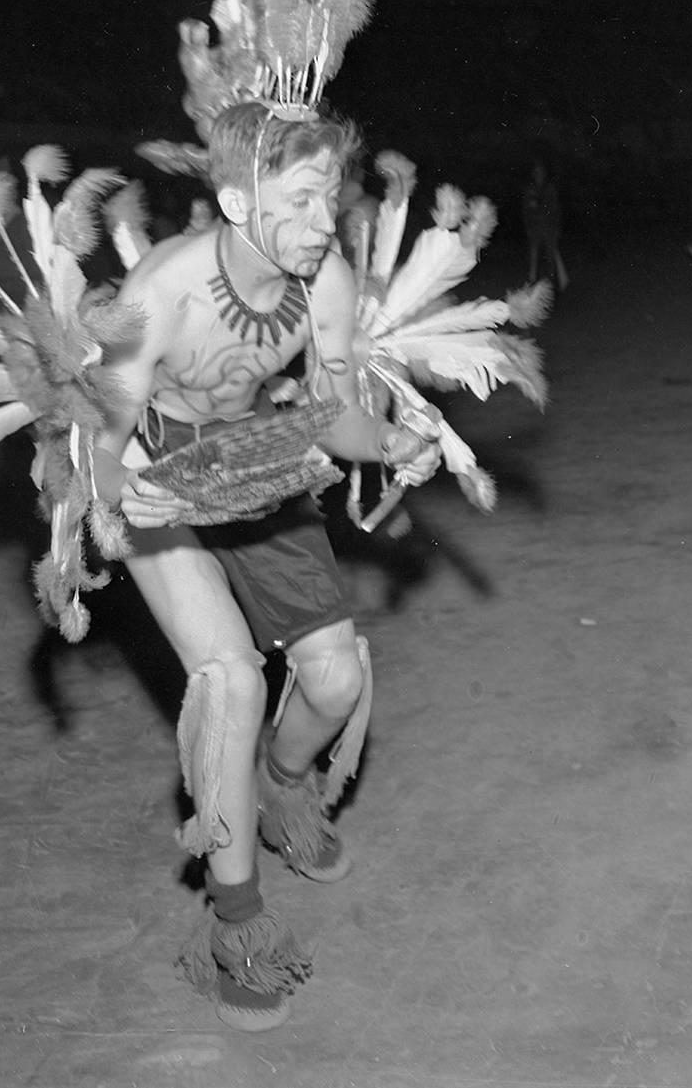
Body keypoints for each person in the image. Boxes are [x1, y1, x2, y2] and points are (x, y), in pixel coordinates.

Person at [91, 102, 441, 1031]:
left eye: (332, 193)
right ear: (241, 203)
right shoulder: (159, 291)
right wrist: (131, 494)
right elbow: (96, 442)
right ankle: (235, 927)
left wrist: (397, 434)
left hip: (258, 454)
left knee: (334, 677)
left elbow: (331, 411)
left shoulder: (320, 272)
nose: (330, 220)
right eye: (305, 198)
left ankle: (282, 788)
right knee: (232, 680)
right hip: (152, 473)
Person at [521, 157, 568, 291]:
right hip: (535, 228)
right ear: (533, 174)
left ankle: (551, 284)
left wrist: (557, 228)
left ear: (544, 173)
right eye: (536, 172)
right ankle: (532, 283)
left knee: (550, 256)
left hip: (549, 228)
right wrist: (528, 227)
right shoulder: (530, 189)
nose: (538, 174)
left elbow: (556, 209)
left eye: (540, 171)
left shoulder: (550, 188)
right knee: (533, 257)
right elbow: (525, 211)